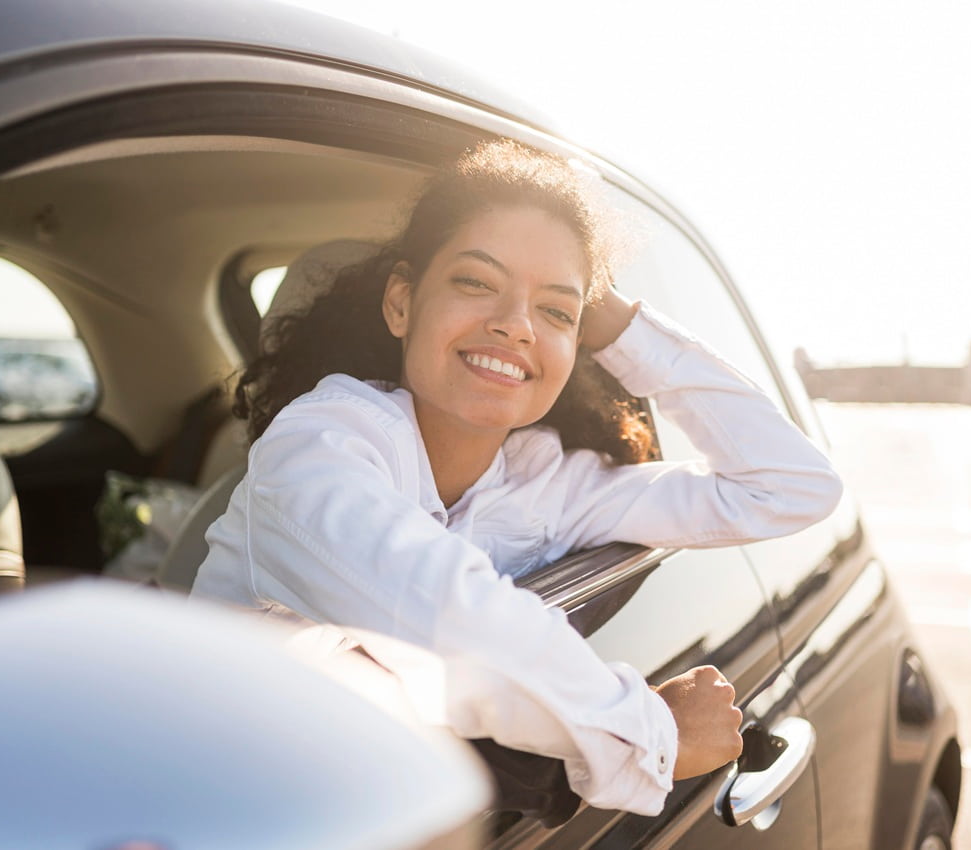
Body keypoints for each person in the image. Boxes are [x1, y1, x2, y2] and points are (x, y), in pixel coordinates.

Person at [192, 140, 843, 816]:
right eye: (476, 283)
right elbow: (447, 615)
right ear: (402, 303)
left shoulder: (545, 481)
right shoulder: (318, 444)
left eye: (557, 312)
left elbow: (791, 487)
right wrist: (655, 734)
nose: (515, 326)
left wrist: (618, 324)